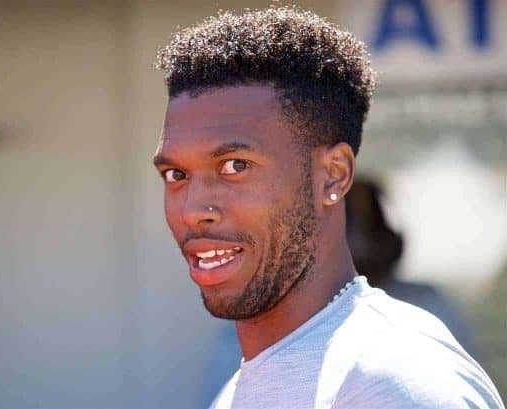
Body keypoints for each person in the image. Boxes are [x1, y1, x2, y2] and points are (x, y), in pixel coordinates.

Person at [152, 6, 504, 409]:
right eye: (176, 174)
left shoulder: (393, 381)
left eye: (235, 166)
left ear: (333, 176)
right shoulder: (242, 386)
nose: (193, 210)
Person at [346, 178, 476, 353]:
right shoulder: (317, 314)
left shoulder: (426, 303)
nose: (359, 239)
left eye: (370, 226)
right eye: (350, 226)